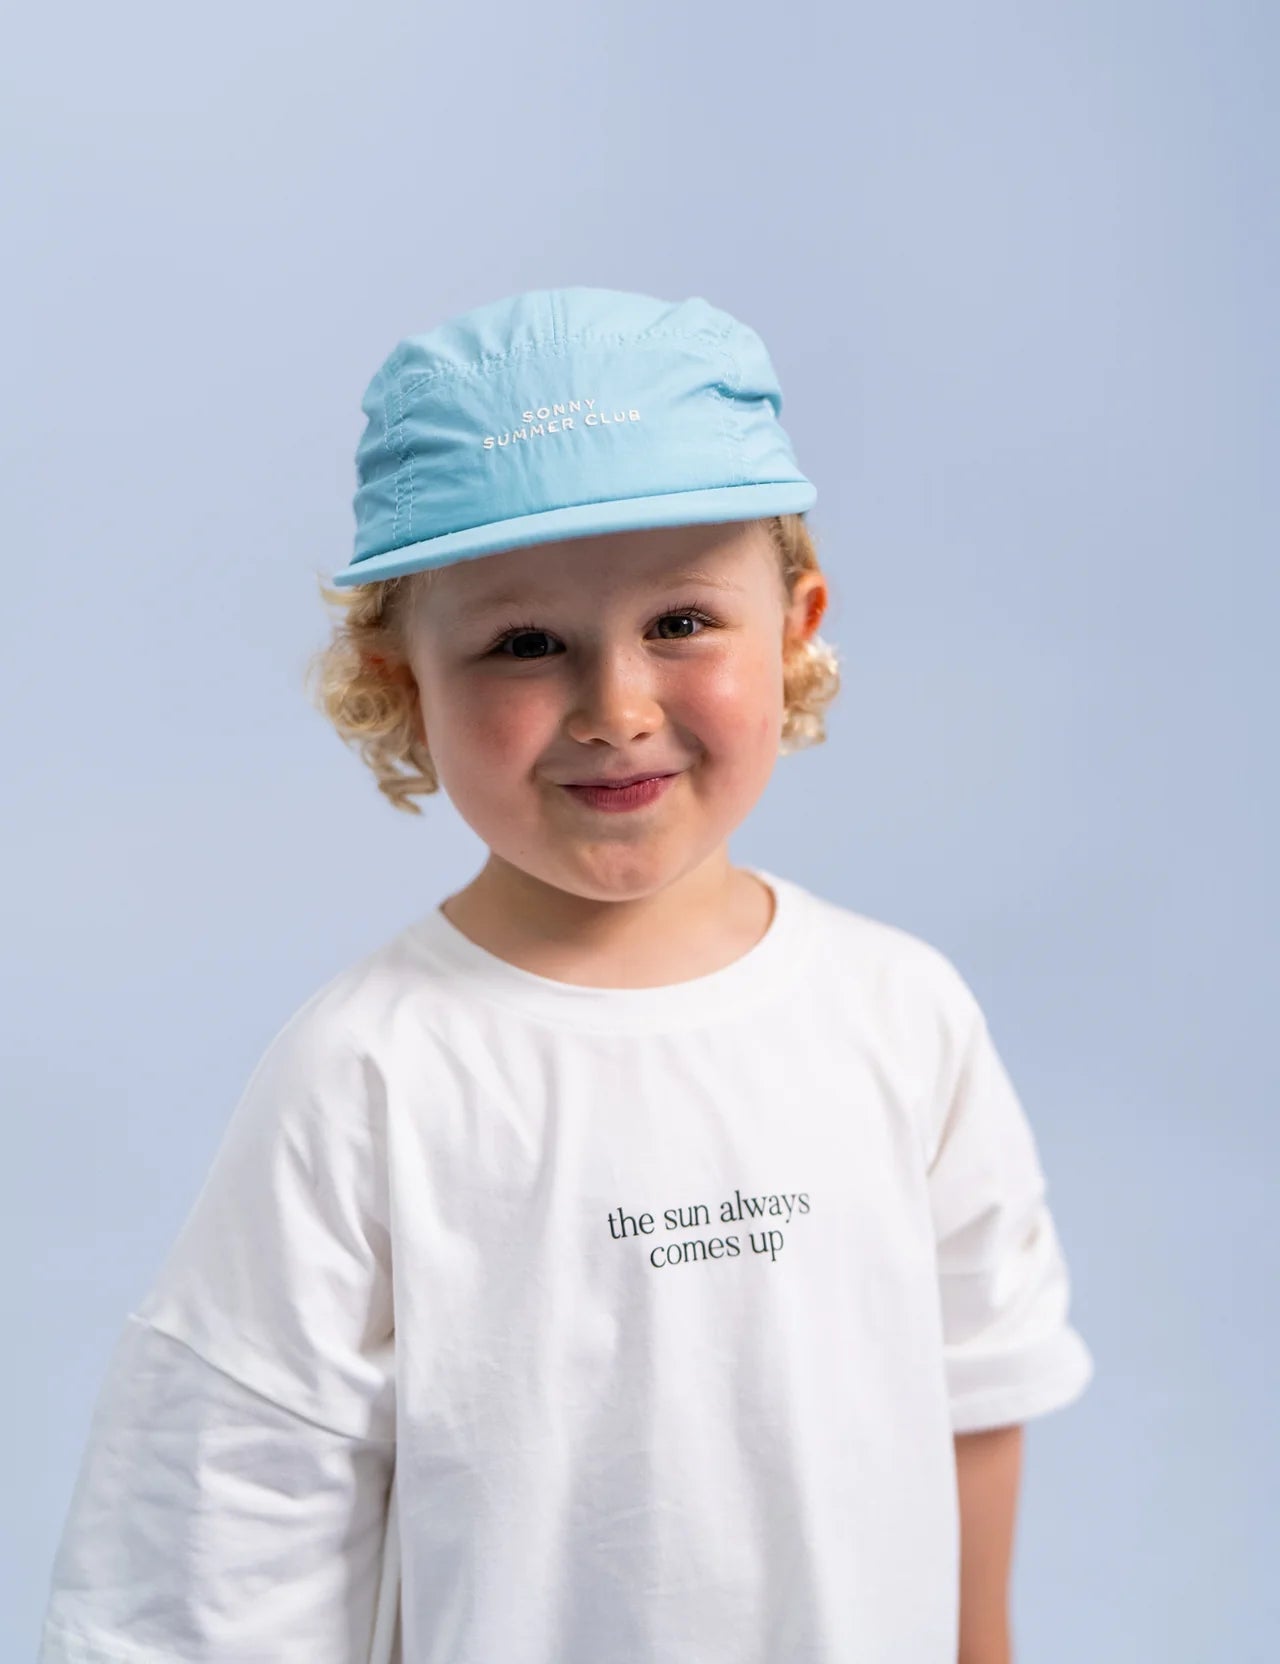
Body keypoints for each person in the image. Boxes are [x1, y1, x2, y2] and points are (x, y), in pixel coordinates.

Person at [37, 286, 1094, 1664]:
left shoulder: (901, 1017)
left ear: (797, 626)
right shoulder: (370, 1077)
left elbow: (976, 1392)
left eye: (682, 622)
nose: (617, 707)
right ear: (404, 684)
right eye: (525, 643)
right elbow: (214, 1540)